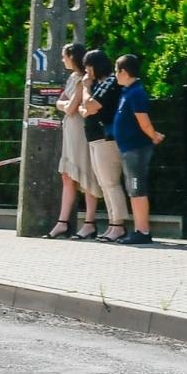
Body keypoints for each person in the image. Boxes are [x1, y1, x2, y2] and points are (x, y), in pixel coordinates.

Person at [109, 53, 165, 245]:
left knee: (136, 187)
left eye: (116, 70)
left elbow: (143, 121)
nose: (114, 74)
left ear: (124, 72)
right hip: (128, 148)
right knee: (133, 188)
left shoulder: (136, 93)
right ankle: (139, 229)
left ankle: (142, 230)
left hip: (136, 148)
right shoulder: (128, 91)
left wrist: (153, 135)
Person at [50, 42, 100, 239]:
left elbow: (69, 107)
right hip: (70, 128)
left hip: (80, 129)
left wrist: (63, 105)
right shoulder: (72, 78)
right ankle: (63, 221)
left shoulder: (83, 80)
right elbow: (62, 101)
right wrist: (64, 104)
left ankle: (89, 222)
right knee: (67, 175)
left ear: (72, 57)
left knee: (86, 172)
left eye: (65, 56)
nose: (63, 60)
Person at [78, 49, 129, 240]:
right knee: (104, 182)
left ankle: (118, 225)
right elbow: (85, 109)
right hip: (95, 138)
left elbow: (90, 106)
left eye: (88, 66)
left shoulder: (109, 82)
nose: (86, 71)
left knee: (110, 182)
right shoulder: (98, 85)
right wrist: (88, 100)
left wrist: (85, 88)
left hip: (106, 138)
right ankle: (112, 222)